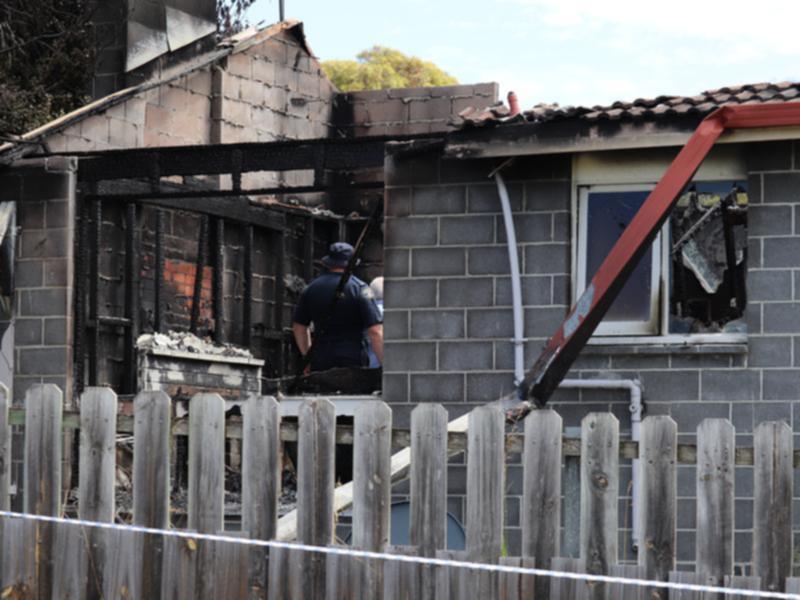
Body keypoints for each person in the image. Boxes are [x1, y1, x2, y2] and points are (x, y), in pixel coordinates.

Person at [292, 242, 383, 372]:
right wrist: (385, 365)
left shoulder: (310, 289)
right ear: (352, 264)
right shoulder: (361, 289)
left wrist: (308, 359)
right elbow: (375, 331)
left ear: (328, 263)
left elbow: (299, 328)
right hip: (353, 358)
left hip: (321, 358)